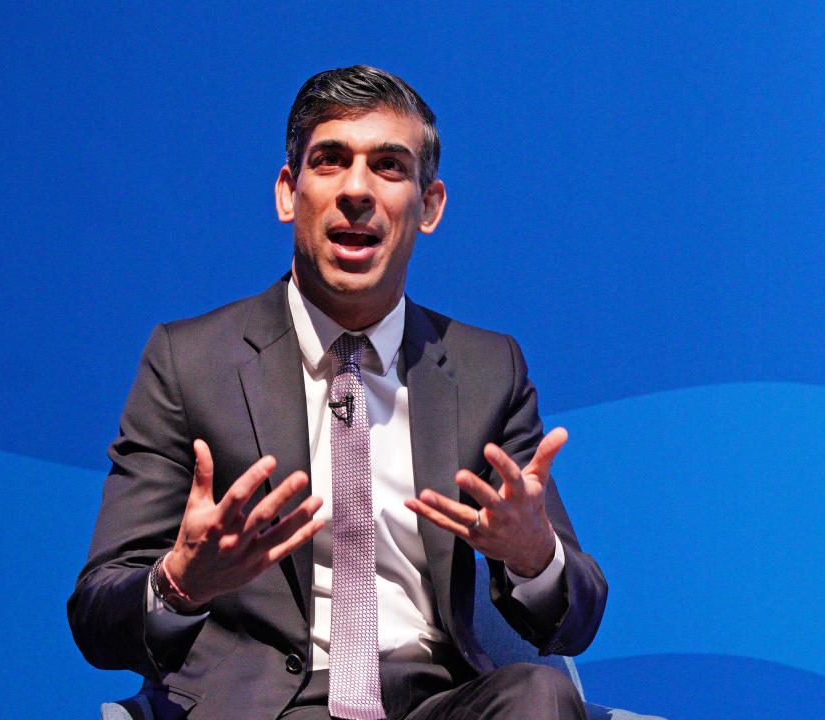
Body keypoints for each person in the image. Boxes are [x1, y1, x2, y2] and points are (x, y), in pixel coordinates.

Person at [68, 65, 607, 720]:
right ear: (288, 193)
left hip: (435, 700)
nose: (356, 190)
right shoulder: (189, 362)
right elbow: (97, 612)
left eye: (387, 166)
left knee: (541, 695)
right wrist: (180, 585)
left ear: (429, 205)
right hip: (258, 709)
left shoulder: (486, 369)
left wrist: (535, 558)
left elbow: (575, 620)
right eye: (329, 162)